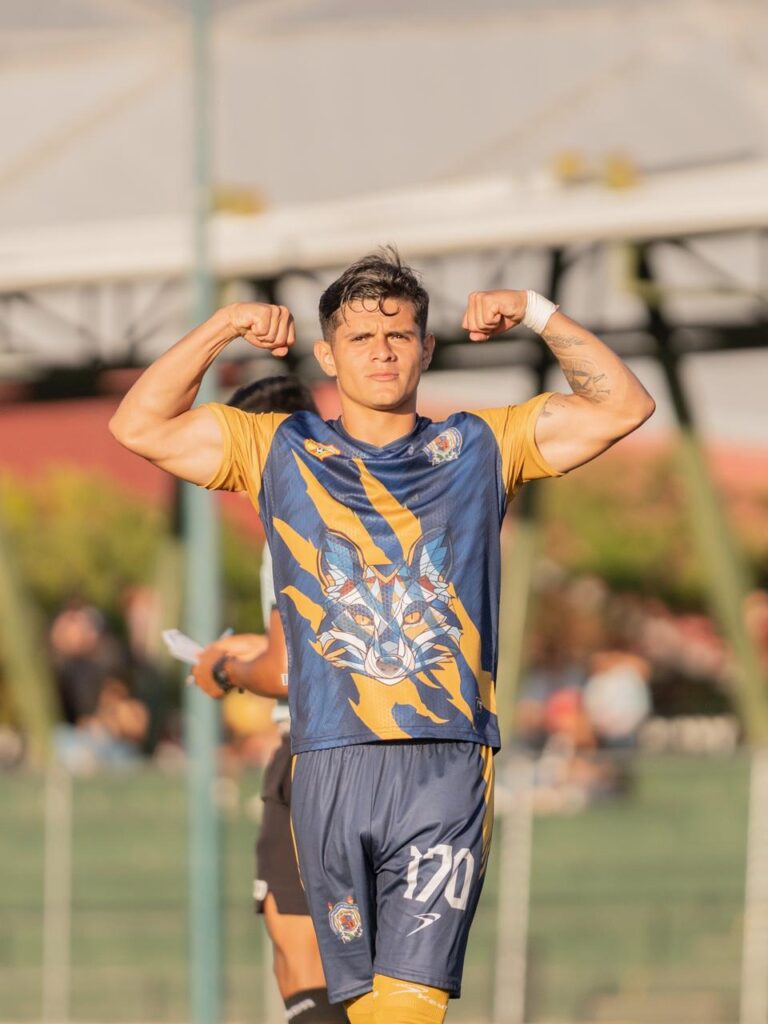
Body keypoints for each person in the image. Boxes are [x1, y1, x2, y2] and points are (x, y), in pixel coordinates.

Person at [110, 247, 654, 1023]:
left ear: (427, 349)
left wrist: (538, 313)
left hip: (444, 760)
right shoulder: (279, 449)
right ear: (328, 355)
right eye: (362, 339)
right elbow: (137, 424)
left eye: (399, 336)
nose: (383, 352)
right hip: (327, 759)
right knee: (358, 1010)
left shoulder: (481, 445)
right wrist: (224, 324)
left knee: (408, 1010)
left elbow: (623, 406)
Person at [209, 375, 348, 1023]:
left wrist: (226, 668)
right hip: (381, 752)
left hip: (313, 751)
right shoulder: (367, 512)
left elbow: (290, 673)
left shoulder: (290, 520)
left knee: (301, 955)